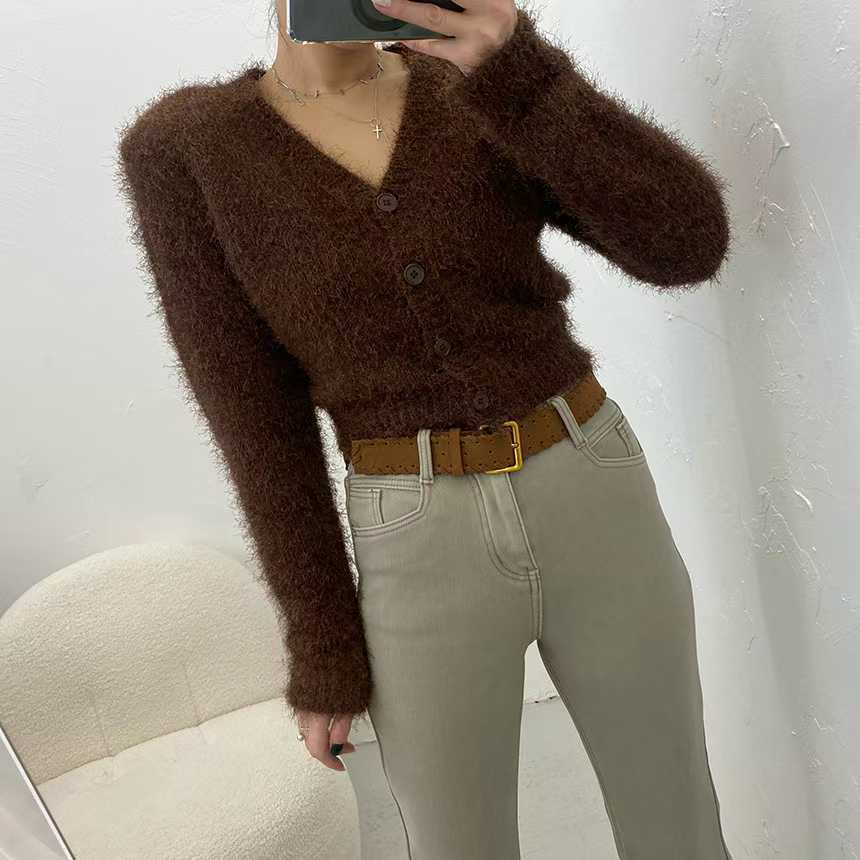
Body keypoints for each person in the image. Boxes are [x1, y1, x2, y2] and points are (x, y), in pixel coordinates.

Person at [116, 0, 734, 856]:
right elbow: (256, 423)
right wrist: (324, 645)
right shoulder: (187, 149)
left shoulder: (471, 85)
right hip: (414, 534)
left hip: (590, 482)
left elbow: (686, 243)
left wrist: (521, 72)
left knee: (678, 826)